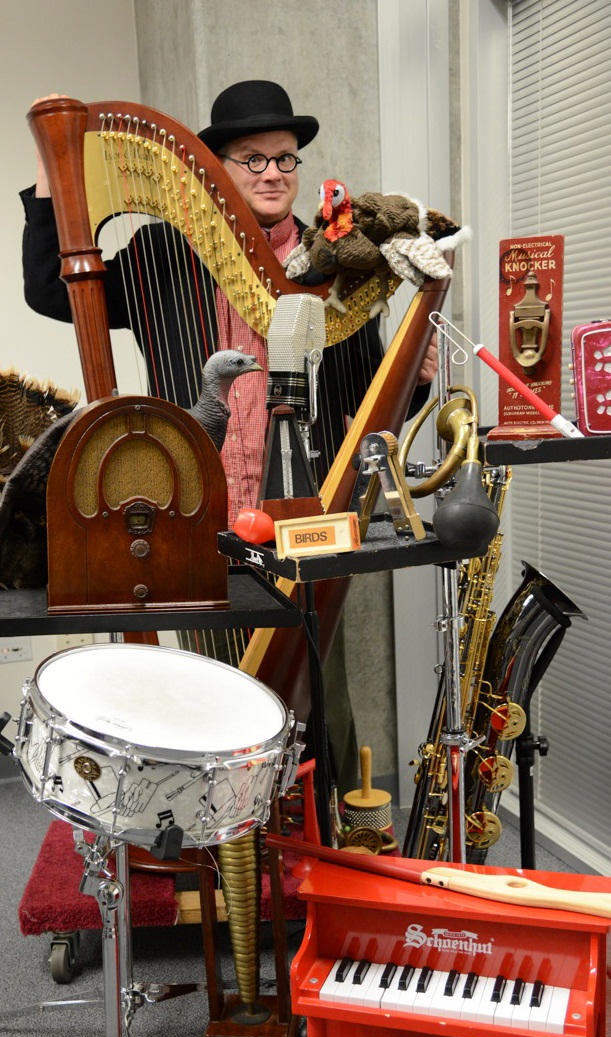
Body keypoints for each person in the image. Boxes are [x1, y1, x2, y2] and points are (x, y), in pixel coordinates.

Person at [20, 80, 438, 792]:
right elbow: (50, 290)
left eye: (285, 158)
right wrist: (45, 190)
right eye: (252, 158)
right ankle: (218, 846)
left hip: (304, 511)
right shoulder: (163, 255)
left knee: (313, 686)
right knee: (208, 692)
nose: (274, 172)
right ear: (215, 169)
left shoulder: (335, 262)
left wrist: (418, 377)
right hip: (199, 509)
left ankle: (318, 828)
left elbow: (366, 385)